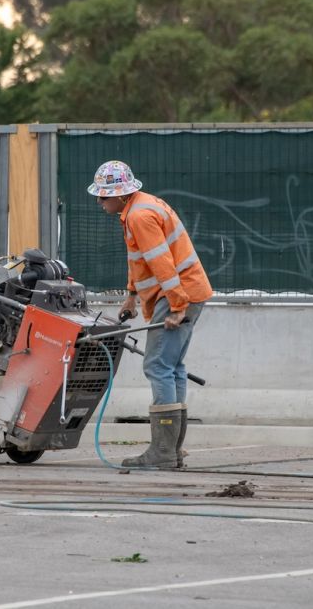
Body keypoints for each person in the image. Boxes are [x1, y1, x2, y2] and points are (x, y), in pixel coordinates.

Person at [87, 160, 213, 468]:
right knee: (173, 367)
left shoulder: (140, 216)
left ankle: (163, 453)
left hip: (177, 294)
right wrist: (131, 297)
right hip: (185, 292)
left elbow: (162, 264)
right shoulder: (140, 208)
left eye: (103, 196)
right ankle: (172, 450)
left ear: (119, 195)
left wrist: (177, 305)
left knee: (158, 365)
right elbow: (139, 259)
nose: (99, 202)